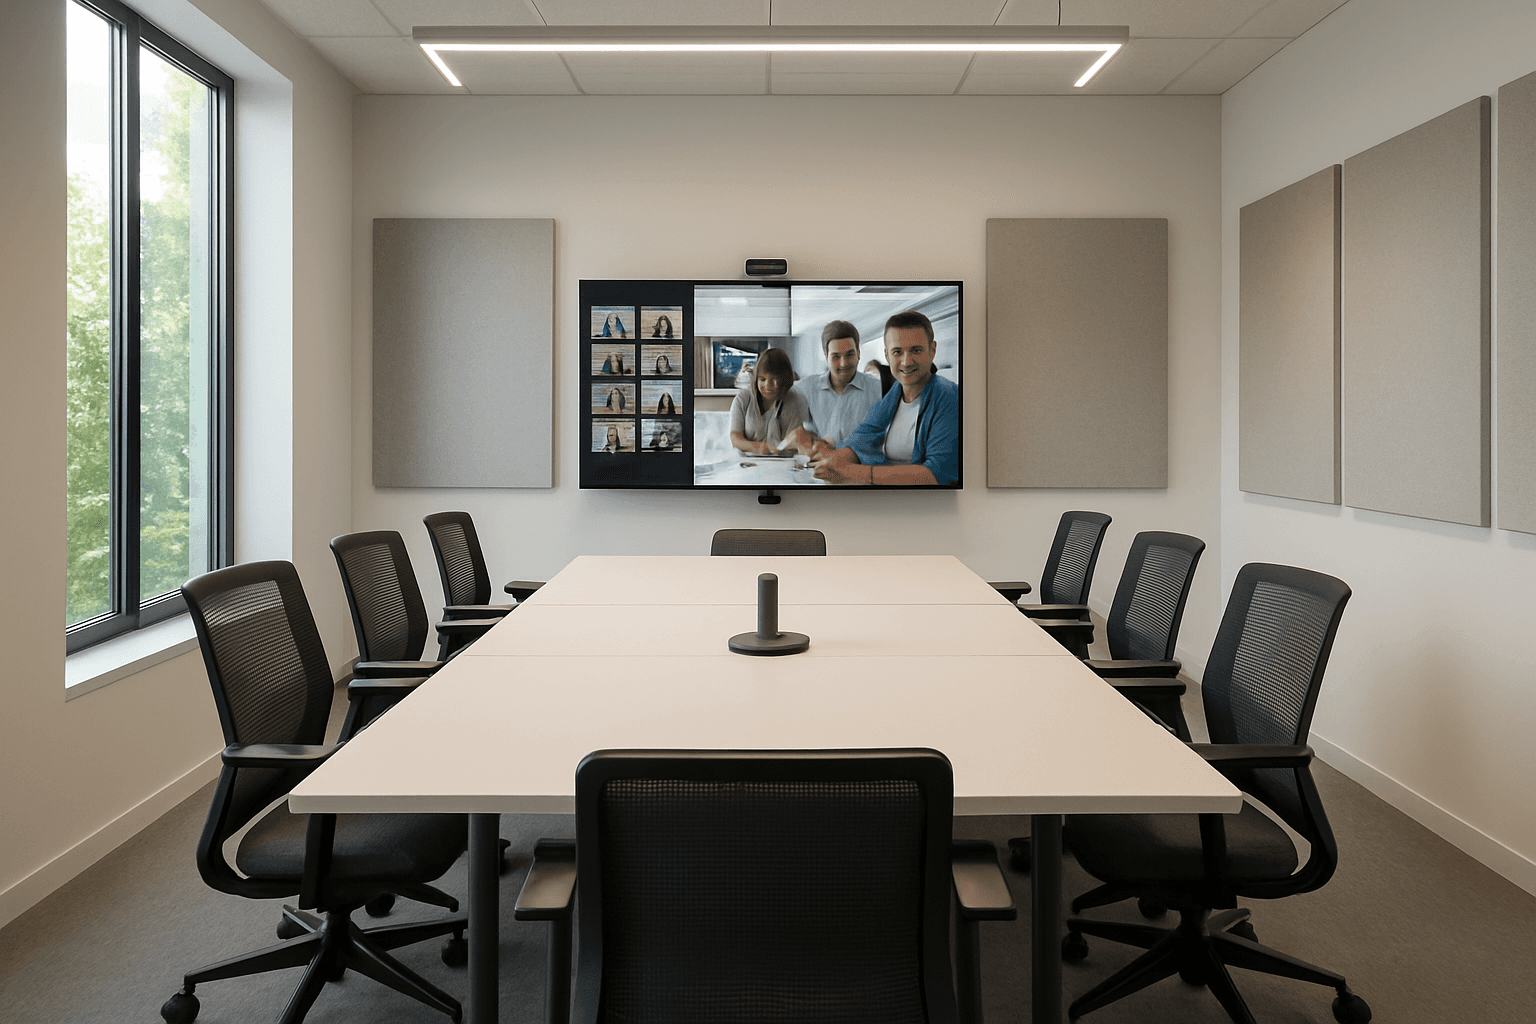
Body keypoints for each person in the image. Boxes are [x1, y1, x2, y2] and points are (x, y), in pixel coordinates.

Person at [811, 310, 959, 486]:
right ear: (887, 355)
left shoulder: (948, 396)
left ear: (932, 350)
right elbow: (862, 438)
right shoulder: (896, 393)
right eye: (897, 352)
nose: (906, 361)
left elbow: (936, 475)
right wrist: (832, 460)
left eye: (916, 350)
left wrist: (855, 473)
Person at [789, 320, 882, 453]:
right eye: (836, 357)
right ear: (826, 356)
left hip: (861, 464)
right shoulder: (807, 388)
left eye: (850, 355)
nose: (843, 363)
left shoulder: (878, 390)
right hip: (819, 463)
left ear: (858, 353)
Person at [729, 347, 810, 456]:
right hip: (747, 462)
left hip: (783, 463)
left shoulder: (795, 400)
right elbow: (735, 438)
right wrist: (757, 447)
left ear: (784, 380)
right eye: (762, 379)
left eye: (774, 380)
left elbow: (796, 444)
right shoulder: (743, 398)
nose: (767, 386)